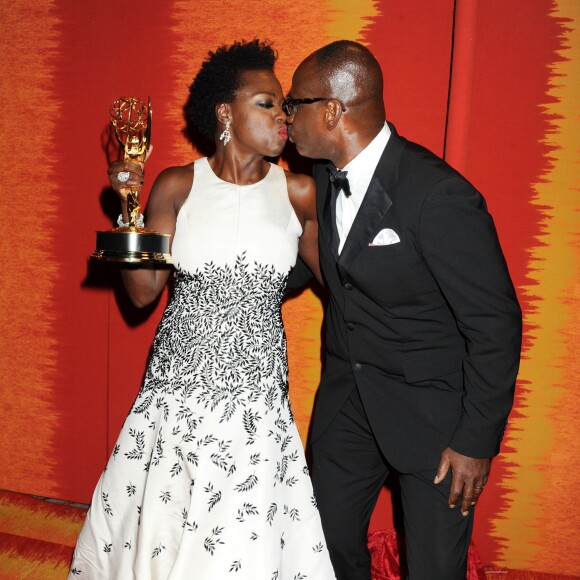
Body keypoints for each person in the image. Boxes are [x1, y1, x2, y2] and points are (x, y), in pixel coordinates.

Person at [69, 39, 336, 580]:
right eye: (266, 102)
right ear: (224, 112)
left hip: (255, 400)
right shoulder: (177, 184)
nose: (282, 116)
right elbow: (142, 294)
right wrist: (128, 211)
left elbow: (345, 284)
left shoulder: (299, 193)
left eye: (284, 105)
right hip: (177, 393)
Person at [283, 40, 522, 580]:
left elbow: (495, 324)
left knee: (435, 568)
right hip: (348, 402)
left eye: (294, 103)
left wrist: (475, 441)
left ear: (331, 111)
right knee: (323, 546)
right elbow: (316, 265)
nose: (286, 116)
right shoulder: (323, 177)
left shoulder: (437, 195)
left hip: (434, 420)